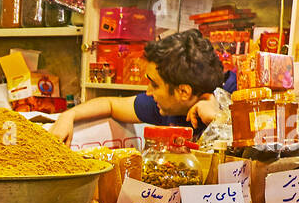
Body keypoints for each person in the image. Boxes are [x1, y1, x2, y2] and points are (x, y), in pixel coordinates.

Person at [49, 29, 236, 143]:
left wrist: (220, 120)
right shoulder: (166, 106)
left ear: (183, 91)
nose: (148, 91)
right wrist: (68, 116)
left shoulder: (238, 93)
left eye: (154, 85)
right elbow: (110, 105)